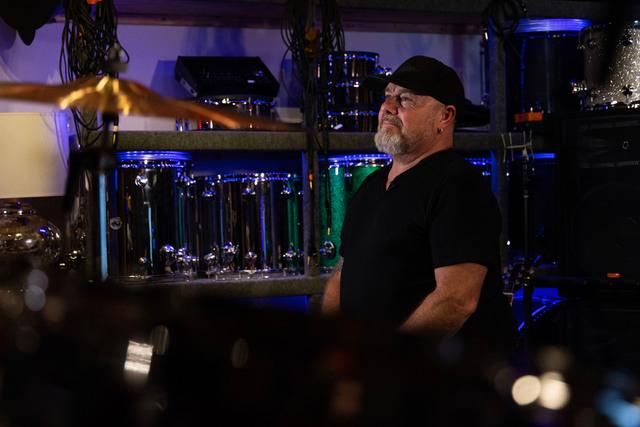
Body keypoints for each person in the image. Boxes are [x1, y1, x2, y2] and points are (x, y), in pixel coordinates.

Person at [321, 55, 516, 353]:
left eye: (405, 99)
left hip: (440, 372)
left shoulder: (458, 186)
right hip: (371, 366)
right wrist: (329, 346)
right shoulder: (371, 186)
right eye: (387, 96)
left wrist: (386, 358)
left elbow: (456, 300)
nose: (388, 107)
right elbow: (341, 276)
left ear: (445, 117)